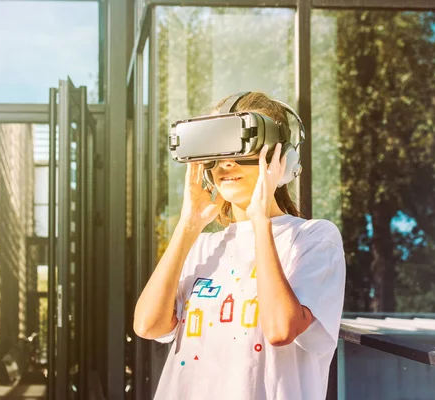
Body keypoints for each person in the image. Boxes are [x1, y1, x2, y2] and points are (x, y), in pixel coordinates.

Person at [133, 92, 346, 400]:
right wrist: (188, 225)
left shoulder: (313, 239)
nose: (226, 163)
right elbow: (148, 325)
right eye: (215, 151)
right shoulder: (204, 246)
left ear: (281, 160)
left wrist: (261, 221)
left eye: (244, 145)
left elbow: (279, 329)